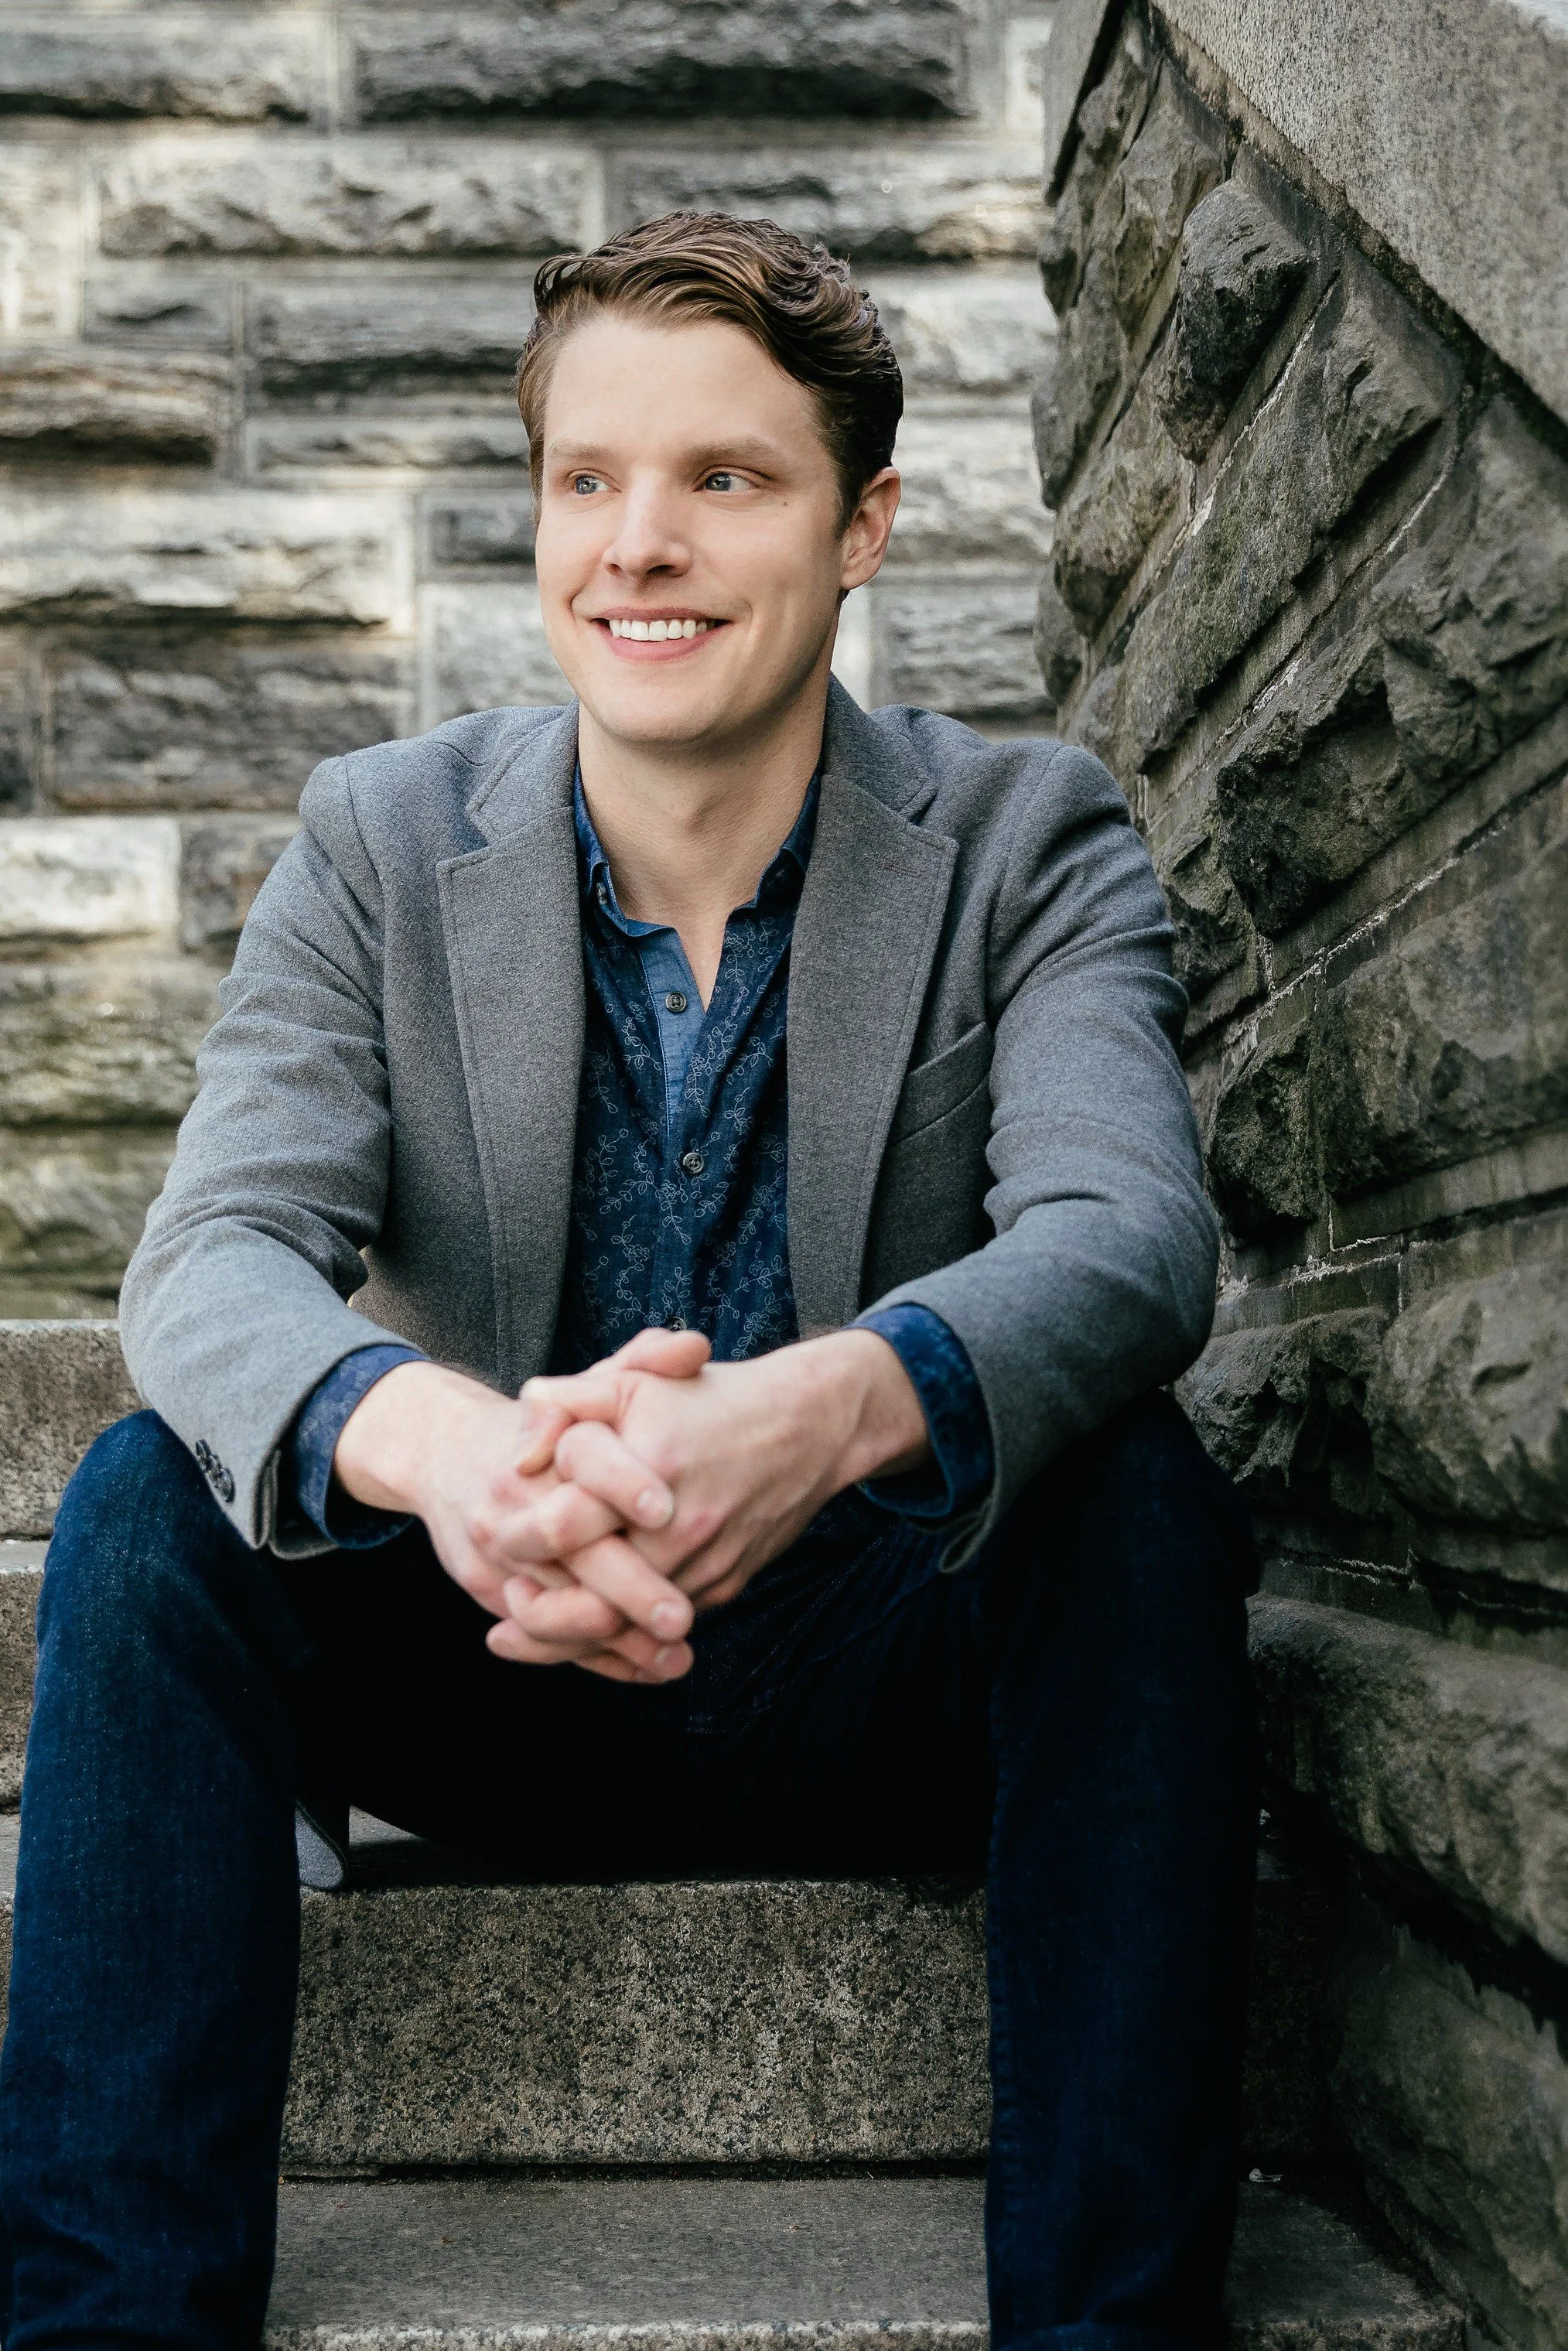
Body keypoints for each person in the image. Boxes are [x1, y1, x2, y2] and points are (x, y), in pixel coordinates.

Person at [0, 212, 1257, 2351]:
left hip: (882, 1663)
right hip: (495, 1650)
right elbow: (209, 1259)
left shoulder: (1032, 837)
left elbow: (1128, 1235)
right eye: (587, 478)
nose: (638, 547)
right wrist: (459, 1452)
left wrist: (830, 1404)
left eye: (724, 480)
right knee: (141, 1501)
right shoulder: (379, 841)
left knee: (1132, 1490)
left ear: (862, 526)